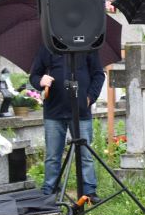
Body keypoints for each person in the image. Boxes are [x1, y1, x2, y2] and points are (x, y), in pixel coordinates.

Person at [29, 44, 105, 201]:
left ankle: (89, 192)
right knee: (52, 155)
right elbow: (34, 75)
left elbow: (98, 74)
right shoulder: (48, 46)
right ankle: (50, 191)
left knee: (85, 154)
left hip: (81, 111)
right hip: (54, 111)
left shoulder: (87, 45)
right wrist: (40, 81)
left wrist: (90, 97)